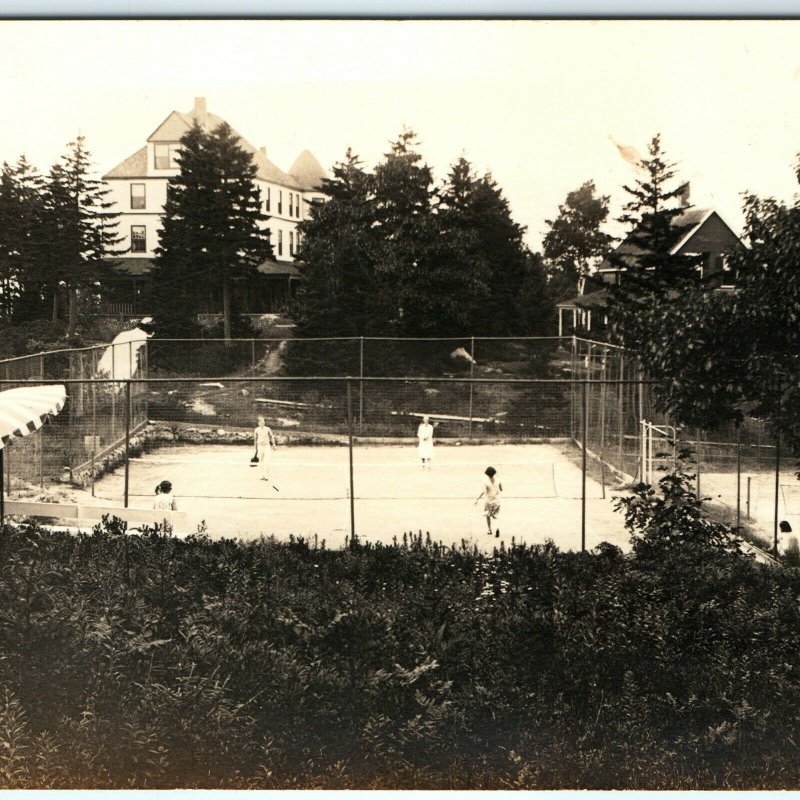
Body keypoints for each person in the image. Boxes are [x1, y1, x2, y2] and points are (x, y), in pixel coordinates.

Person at [475, 466, 502, 538]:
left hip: (488, 502)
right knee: (495, 516)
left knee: (488, 515)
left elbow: (483, 492)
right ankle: (497, 528)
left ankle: (489, 530)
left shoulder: (486, 482)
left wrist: (478, 498)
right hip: (497, 501)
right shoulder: (498, 480)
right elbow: (501, 489)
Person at [254, 415, 277, 482]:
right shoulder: (256, 430)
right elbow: (255, 440)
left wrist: (274, 444)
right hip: (260, 446)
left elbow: (271, 437)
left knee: (266, 461)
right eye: (261, 422)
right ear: (258, 423)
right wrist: (256, 448)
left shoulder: (268, 429)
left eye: (263, 421)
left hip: (267, 446)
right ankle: (262, 475)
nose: (262, 423)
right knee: (261, 461)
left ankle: (266, 476)